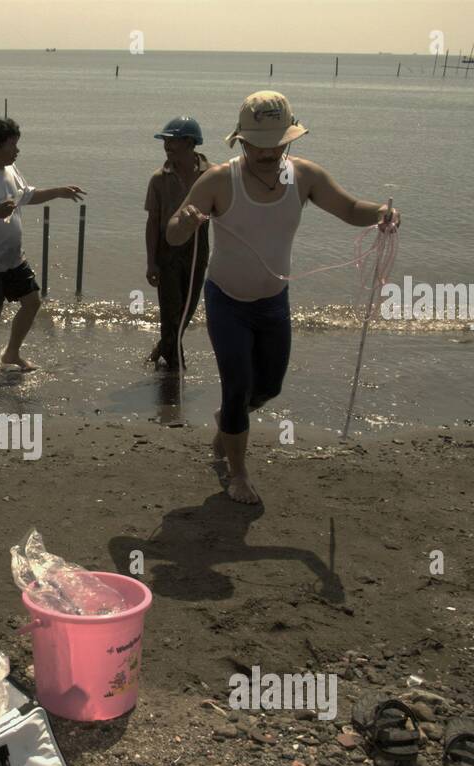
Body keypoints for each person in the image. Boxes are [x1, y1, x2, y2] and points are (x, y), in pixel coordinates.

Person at [167, 91, 400, 504]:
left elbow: (348, 209)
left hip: (274, 300)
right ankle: (238, 474)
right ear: (241, 140)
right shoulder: (221, 180)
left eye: (277, 142)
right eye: (259, 143)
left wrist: (381, 213)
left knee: (268, 388)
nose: (269, 151)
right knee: (237, 386)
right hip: (226, 299)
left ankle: (228, 423)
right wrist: (184, 222)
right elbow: (174, 233)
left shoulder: (304, 176)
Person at [0, 117, 85, 374]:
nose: (17, 150)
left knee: (32, 302)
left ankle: (11, 352)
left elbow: (27, 195)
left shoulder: (10, 169)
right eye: (12, 145)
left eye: (17, 145)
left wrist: (58, 191)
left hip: (13, 258)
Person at [144, 116, 210, 371]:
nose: (167, 146)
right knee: (171, 314)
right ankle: (175, 371)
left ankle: (162, 350)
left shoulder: (211, 175)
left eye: (173, 141)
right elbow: (152, 223)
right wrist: (151, 262)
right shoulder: (159, 179)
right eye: (166, 141)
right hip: (167, 250)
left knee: (187, 312)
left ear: (190, 143)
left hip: (198, 248)